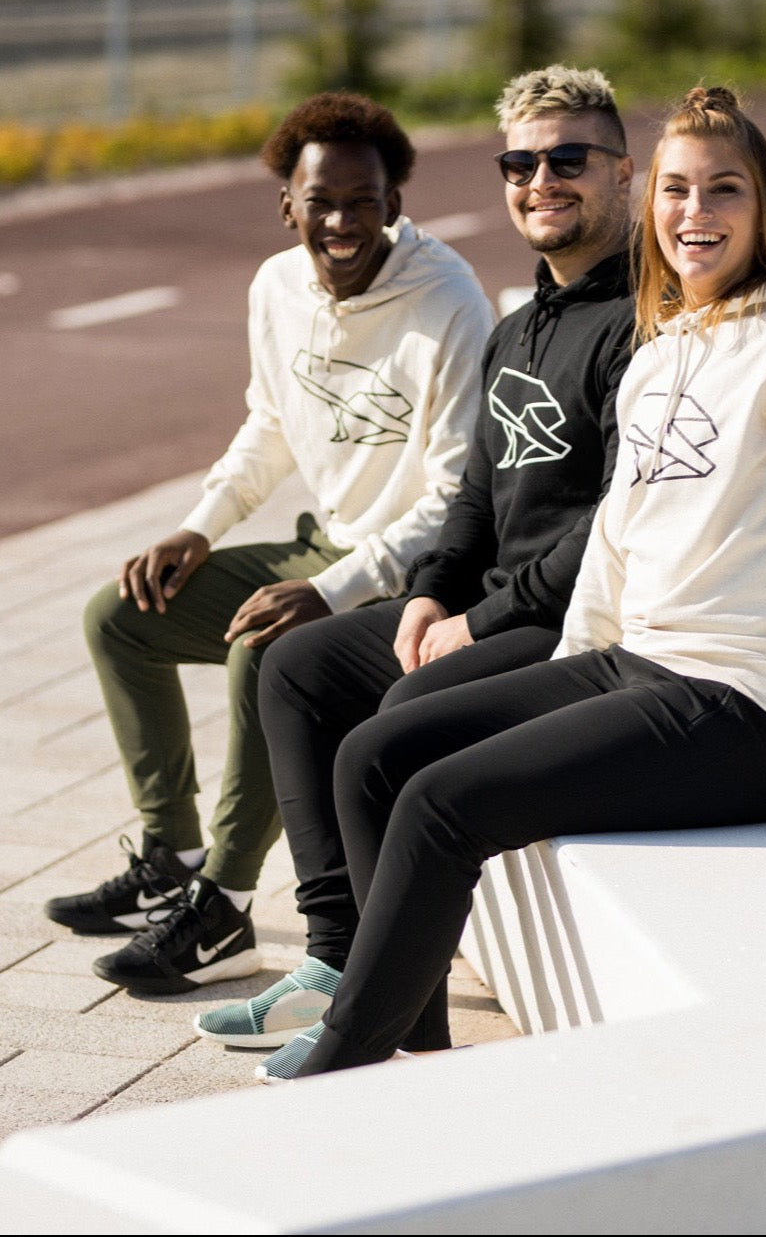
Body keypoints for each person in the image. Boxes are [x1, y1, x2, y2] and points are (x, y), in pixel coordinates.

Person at [249, 83, 766, 1084]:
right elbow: (614, 539)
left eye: (723, 189)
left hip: (754, 705)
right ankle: (414, 1040)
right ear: (653, 204)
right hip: (637, 661)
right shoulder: (669, 346)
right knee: (379, 754)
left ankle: (346, 1064)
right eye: (678, 190)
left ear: (763, 204)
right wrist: (562, 679)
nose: (694, 211)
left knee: (440, 804)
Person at [192, 64, 637, 1054]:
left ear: (622, 173)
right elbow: (476, 492)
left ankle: (404, 1028)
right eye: (520, 163)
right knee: (293, 667)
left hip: (576, 623)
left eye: (568, 159)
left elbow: (615, 524)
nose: (541, 180)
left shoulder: (640, 325)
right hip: (495, 603)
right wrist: (432, 594)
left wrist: (477, 620)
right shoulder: (520, 325)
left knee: (394, 724)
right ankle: (332, 958)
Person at [44, 91, 496, 994]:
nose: (341, 222)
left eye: (363, 202)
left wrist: (330, 591)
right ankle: (170, 856)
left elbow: (457, 499)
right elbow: (270, 424)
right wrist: (199, 524)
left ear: (394, 204)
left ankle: (224, 903)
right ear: (287, 205)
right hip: (327, 547)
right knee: (120, 616)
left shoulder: (450, 302)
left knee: (270, 646)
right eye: (321, 201)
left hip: (412, 577)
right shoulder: (275, 286)